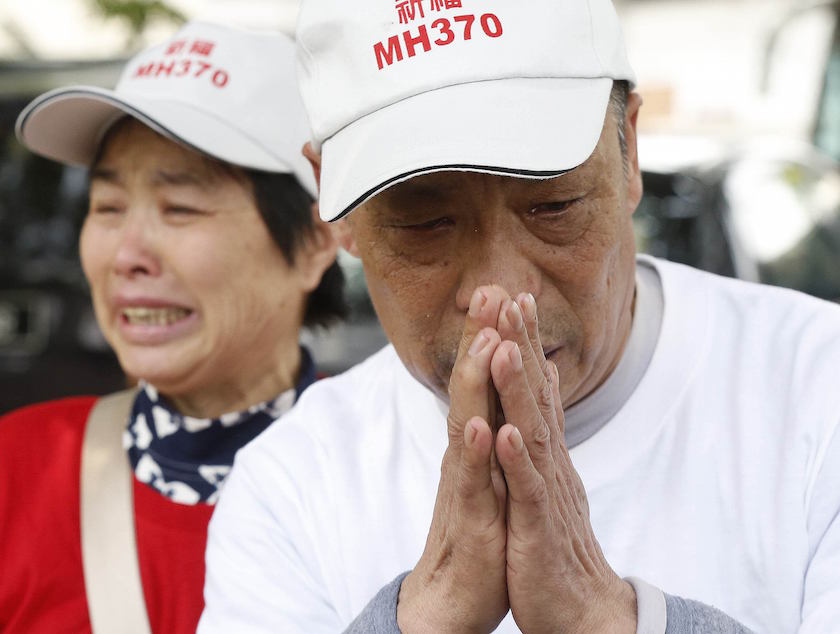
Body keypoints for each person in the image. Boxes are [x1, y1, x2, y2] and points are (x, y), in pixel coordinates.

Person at [199, 1, 840, 632]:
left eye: (553, 206)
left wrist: (605, 620)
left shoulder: (817, 393)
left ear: (631, 154)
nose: (501, 294)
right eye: (426, 224)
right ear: (332, 209)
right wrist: (429, 615)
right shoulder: (293, 485)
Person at [0, 21, 345, 634]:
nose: (126, 254)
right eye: (105, 207)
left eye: (180, 208)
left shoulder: (395, 480)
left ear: (316, 241)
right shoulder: (17, 470)